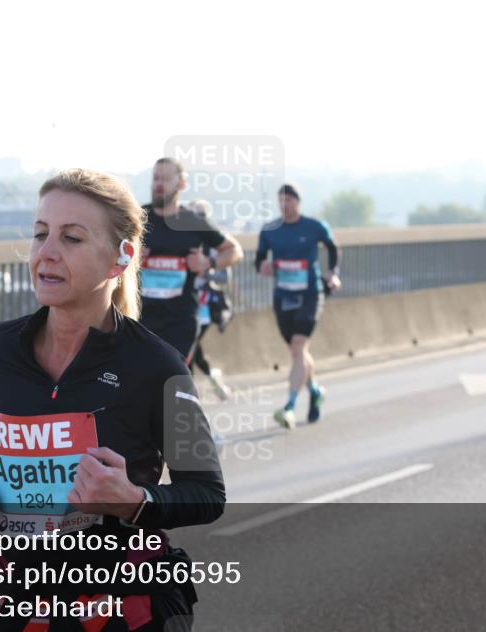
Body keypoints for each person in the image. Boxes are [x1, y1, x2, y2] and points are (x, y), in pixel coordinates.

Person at [0, 168, 225, 632]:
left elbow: (206, 493)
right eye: (39, 234)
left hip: (123, 616)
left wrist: (134, 500)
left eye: (71, 238)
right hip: (19, 607)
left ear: (120, 260)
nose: (46, 252)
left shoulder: (155, 364)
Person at [139, 158, 243, 364]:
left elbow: (234, 250)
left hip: (179, 321)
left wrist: (208, 263)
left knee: (168, 382)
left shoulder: (192, 221)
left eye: (166, 179)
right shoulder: (137, 218)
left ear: (181, 184)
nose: (159, 184)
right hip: (140, 317)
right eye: (156, 178)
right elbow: (107, 251)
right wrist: (130, 255)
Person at [255, 183, 341, 429]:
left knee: (298, 346)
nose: (285, 205)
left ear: (298, 202)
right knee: (298, 353)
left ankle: (290, 406)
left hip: (310, 294)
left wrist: (332, 273)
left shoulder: (314, 226)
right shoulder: (270, 230)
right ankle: (315, 391)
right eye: (281, 200)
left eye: (289, 200)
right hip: (283, 296)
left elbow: (333, 248)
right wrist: (263, 266)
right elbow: (260, 259)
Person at [186, 199, 234, 401]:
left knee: (190, 347)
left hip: (204, 307)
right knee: (193, 350)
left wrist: (206, 269)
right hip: (183, 304)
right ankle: (213, 380)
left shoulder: (214, 244)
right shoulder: (182, 240)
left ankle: (187, 398)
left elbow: (225, 277)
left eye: (200, 216)